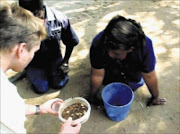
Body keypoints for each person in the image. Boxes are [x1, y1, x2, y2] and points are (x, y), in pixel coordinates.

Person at [0, 3, 81, 134]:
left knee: (58, 83)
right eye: (34, 51)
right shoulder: (5, 93)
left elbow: (7, 108)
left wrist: (40, 109)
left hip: (54, 62)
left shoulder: (5, 93)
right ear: (21, 49)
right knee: (40, 88)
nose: (33, 55)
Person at [88, 15, 166, 107]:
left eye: (116, 53)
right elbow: (97, 74)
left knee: (136, 81)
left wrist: (155, 97)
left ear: (130, 49)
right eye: (109, 50)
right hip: (110, 73)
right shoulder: (98, 42)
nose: (110, 55)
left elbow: (149, 76)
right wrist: (92, 96)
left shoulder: (145, 46)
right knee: (107, 80)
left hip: (133, 74)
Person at [18, 0, 79, 94]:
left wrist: (65, 62)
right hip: (33, 62)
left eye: (34, 14)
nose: (31, 19)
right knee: (41, 89)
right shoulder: (16, 22)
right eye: (26, 15)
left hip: (54, 58)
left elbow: (71, 42)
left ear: (40, 10)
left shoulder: (59, 18)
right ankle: (29, 71)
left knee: (58, 84)